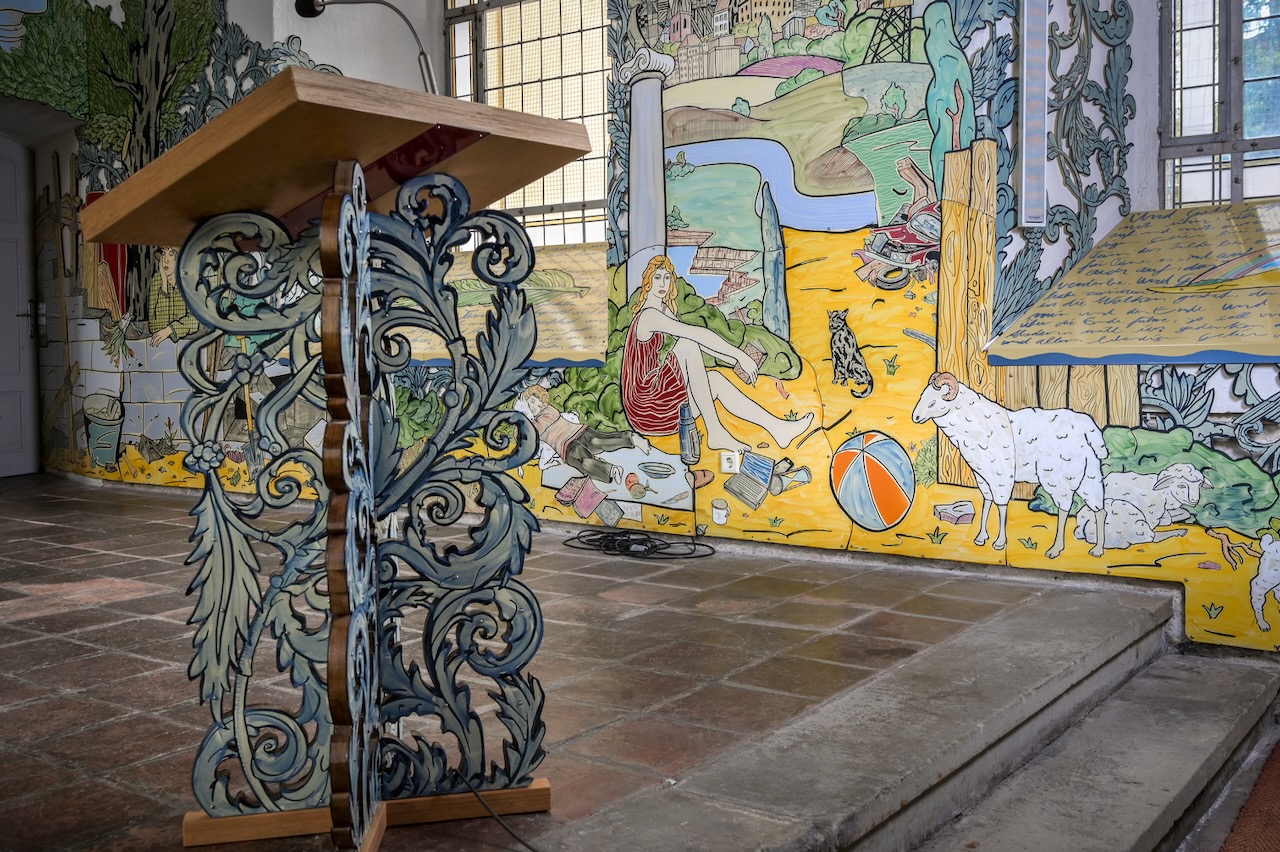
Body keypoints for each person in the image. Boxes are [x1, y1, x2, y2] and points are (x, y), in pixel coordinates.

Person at [621, 254, 813, 453]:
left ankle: (778, 429)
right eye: (657, 277)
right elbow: (696, 335)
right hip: (647, 408)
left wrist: (735, 359)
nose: (663, 283)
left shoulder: (661, 309)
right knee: (688, 344)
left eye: (667, 277)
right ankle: (716, 432)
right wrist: (739, 356)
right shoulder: (649, 316)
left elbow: (701, 341)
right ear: (648, 280)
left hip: (656, 399)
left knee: (715, 380)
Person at [521, 385, 650, 484]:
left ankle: (632, 439)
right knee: (586, 464)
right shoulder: (528, 426)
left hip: (577, 432)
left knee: (597, 441)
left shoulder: (547, 411)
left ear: (543, 405)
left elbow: (540, 423)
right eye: (532, 402)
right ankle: (612, 470)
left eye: (538, 404)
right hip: (565, 448)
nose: (534, 407)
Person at [148, 246, 199, 346]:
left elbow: (194, 322)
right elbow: (154, 326)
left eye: (171, 254)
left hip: (186, 343)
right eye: (163, 254)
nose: (165, 260)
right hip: (162, 346)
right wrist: (164, 284)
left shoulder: (188, 281)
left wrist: (170, 329)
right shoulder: (157, 279)